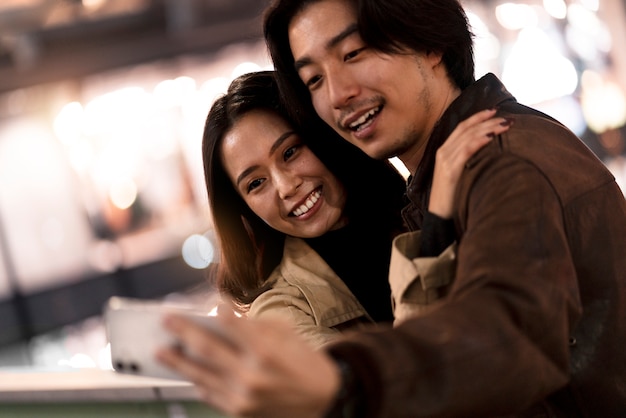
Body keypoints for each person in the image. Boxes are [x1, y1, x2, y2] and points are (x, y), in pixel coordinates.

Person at [158, 0, 626, 416]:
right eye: (314, 79)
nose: (338, 93)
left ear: (428, 42)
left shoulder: (498, 166)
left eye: (354, 53)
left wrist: (343, 379)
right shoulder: (434, 197)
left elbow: (504, 330)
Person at [202, 70, 507, 349]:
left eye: (290, 152)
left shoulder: (417, 206)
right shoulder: (280, 313)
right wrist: (436, 228)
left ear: (322, 135)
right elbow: (396, 387)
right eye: (256, 183)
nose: (285, 187)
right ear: (243, 209)